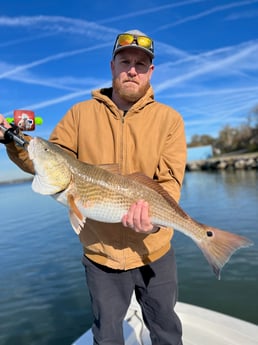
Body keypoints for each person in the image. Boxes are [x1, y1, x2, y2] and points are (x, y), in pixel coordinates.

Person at [0, 29, 187, 345]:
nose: (132, 69)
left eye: (141, 64)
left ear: (150, 71)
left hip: (155, 253)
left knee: (167, 331)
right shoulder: (78, 114)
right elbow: (48, 161)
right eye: (124, 60)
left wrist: (152, 225)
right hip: (100, 256)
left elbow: (169, 182)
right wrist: (15, 142)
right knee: (106, 336)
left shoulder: (170, 120)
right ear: (111, 66)